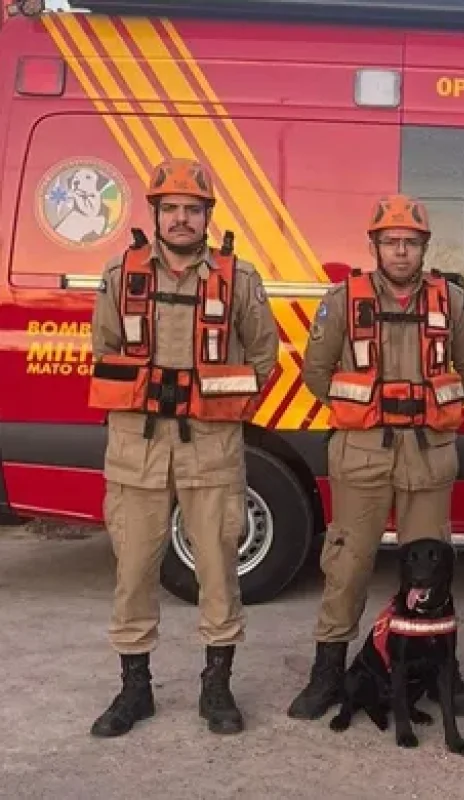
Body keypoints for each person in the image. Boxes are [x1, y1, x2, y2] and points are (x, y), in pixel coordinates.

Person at [86, 157, 280, 737]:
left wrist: (220, 404)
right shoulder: (121, 276)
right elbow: (105, 347)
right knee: (134, 568)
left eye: (191, 209)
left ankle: (216, 686)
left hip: (211, 447)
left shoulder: (237, 279)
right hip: (137, 446)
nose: (180, 219)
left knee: (219, 568)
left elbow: (263, 357)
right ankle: (134, 688)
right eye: (170, 208)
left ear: (206, 217)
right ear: (155, 215)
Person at [287, 194, 464, 722]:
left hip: (428, 456)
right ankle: (328, 671)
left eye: (411, 243)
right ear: (374, 245)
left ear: (424, 247)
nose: (401, 252)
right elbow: (316, 372)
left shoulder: (453, 302)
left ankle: (445, 667)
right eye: (391, 242)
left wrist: (431, 408)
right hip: (362, 454)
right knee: (347, 566)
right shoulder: (342, 300)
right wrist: (362, 410)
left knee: (433, 571)